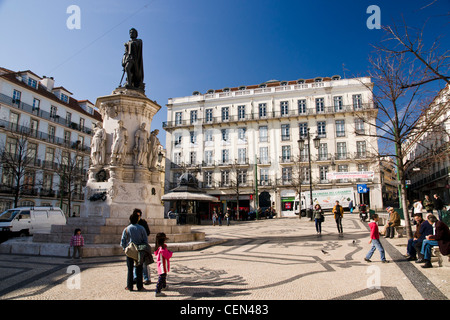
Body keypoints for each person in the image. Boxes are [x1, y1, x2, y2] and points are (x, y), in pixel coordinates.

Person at [120, 210, 149, 291]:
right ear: (137, 220)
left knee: (130, 269)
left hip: (129, 251)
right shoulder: (142, 228)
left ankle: (129, 286)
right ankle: (140, 286)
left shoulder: (126, 229)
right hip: (139, 250)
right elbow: (145, 240)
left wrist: (125, 249)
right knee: (139, 269)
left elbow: (123, 241)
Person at [134, 209, 151, 285]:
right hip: (134, 246)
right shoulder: (132, 223)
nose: (138, 217)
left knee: (144, 263)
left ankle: (146, 278)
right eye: (137, 215)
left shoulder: (143, 223)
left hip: (143, 245)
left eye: (139, 215)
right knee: (135, 262)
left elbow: (148, 232)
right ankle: (135, 277)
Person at [154, 232, 173, 297]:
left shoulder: (158, 247)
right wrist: (170, 252)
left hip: (160, 265)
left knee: (164, 276)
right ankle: (158, 291)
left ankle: (164, 286)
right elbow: (167, 256)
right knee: (162, 277)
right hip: (163, 265)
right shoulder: (162, 249)